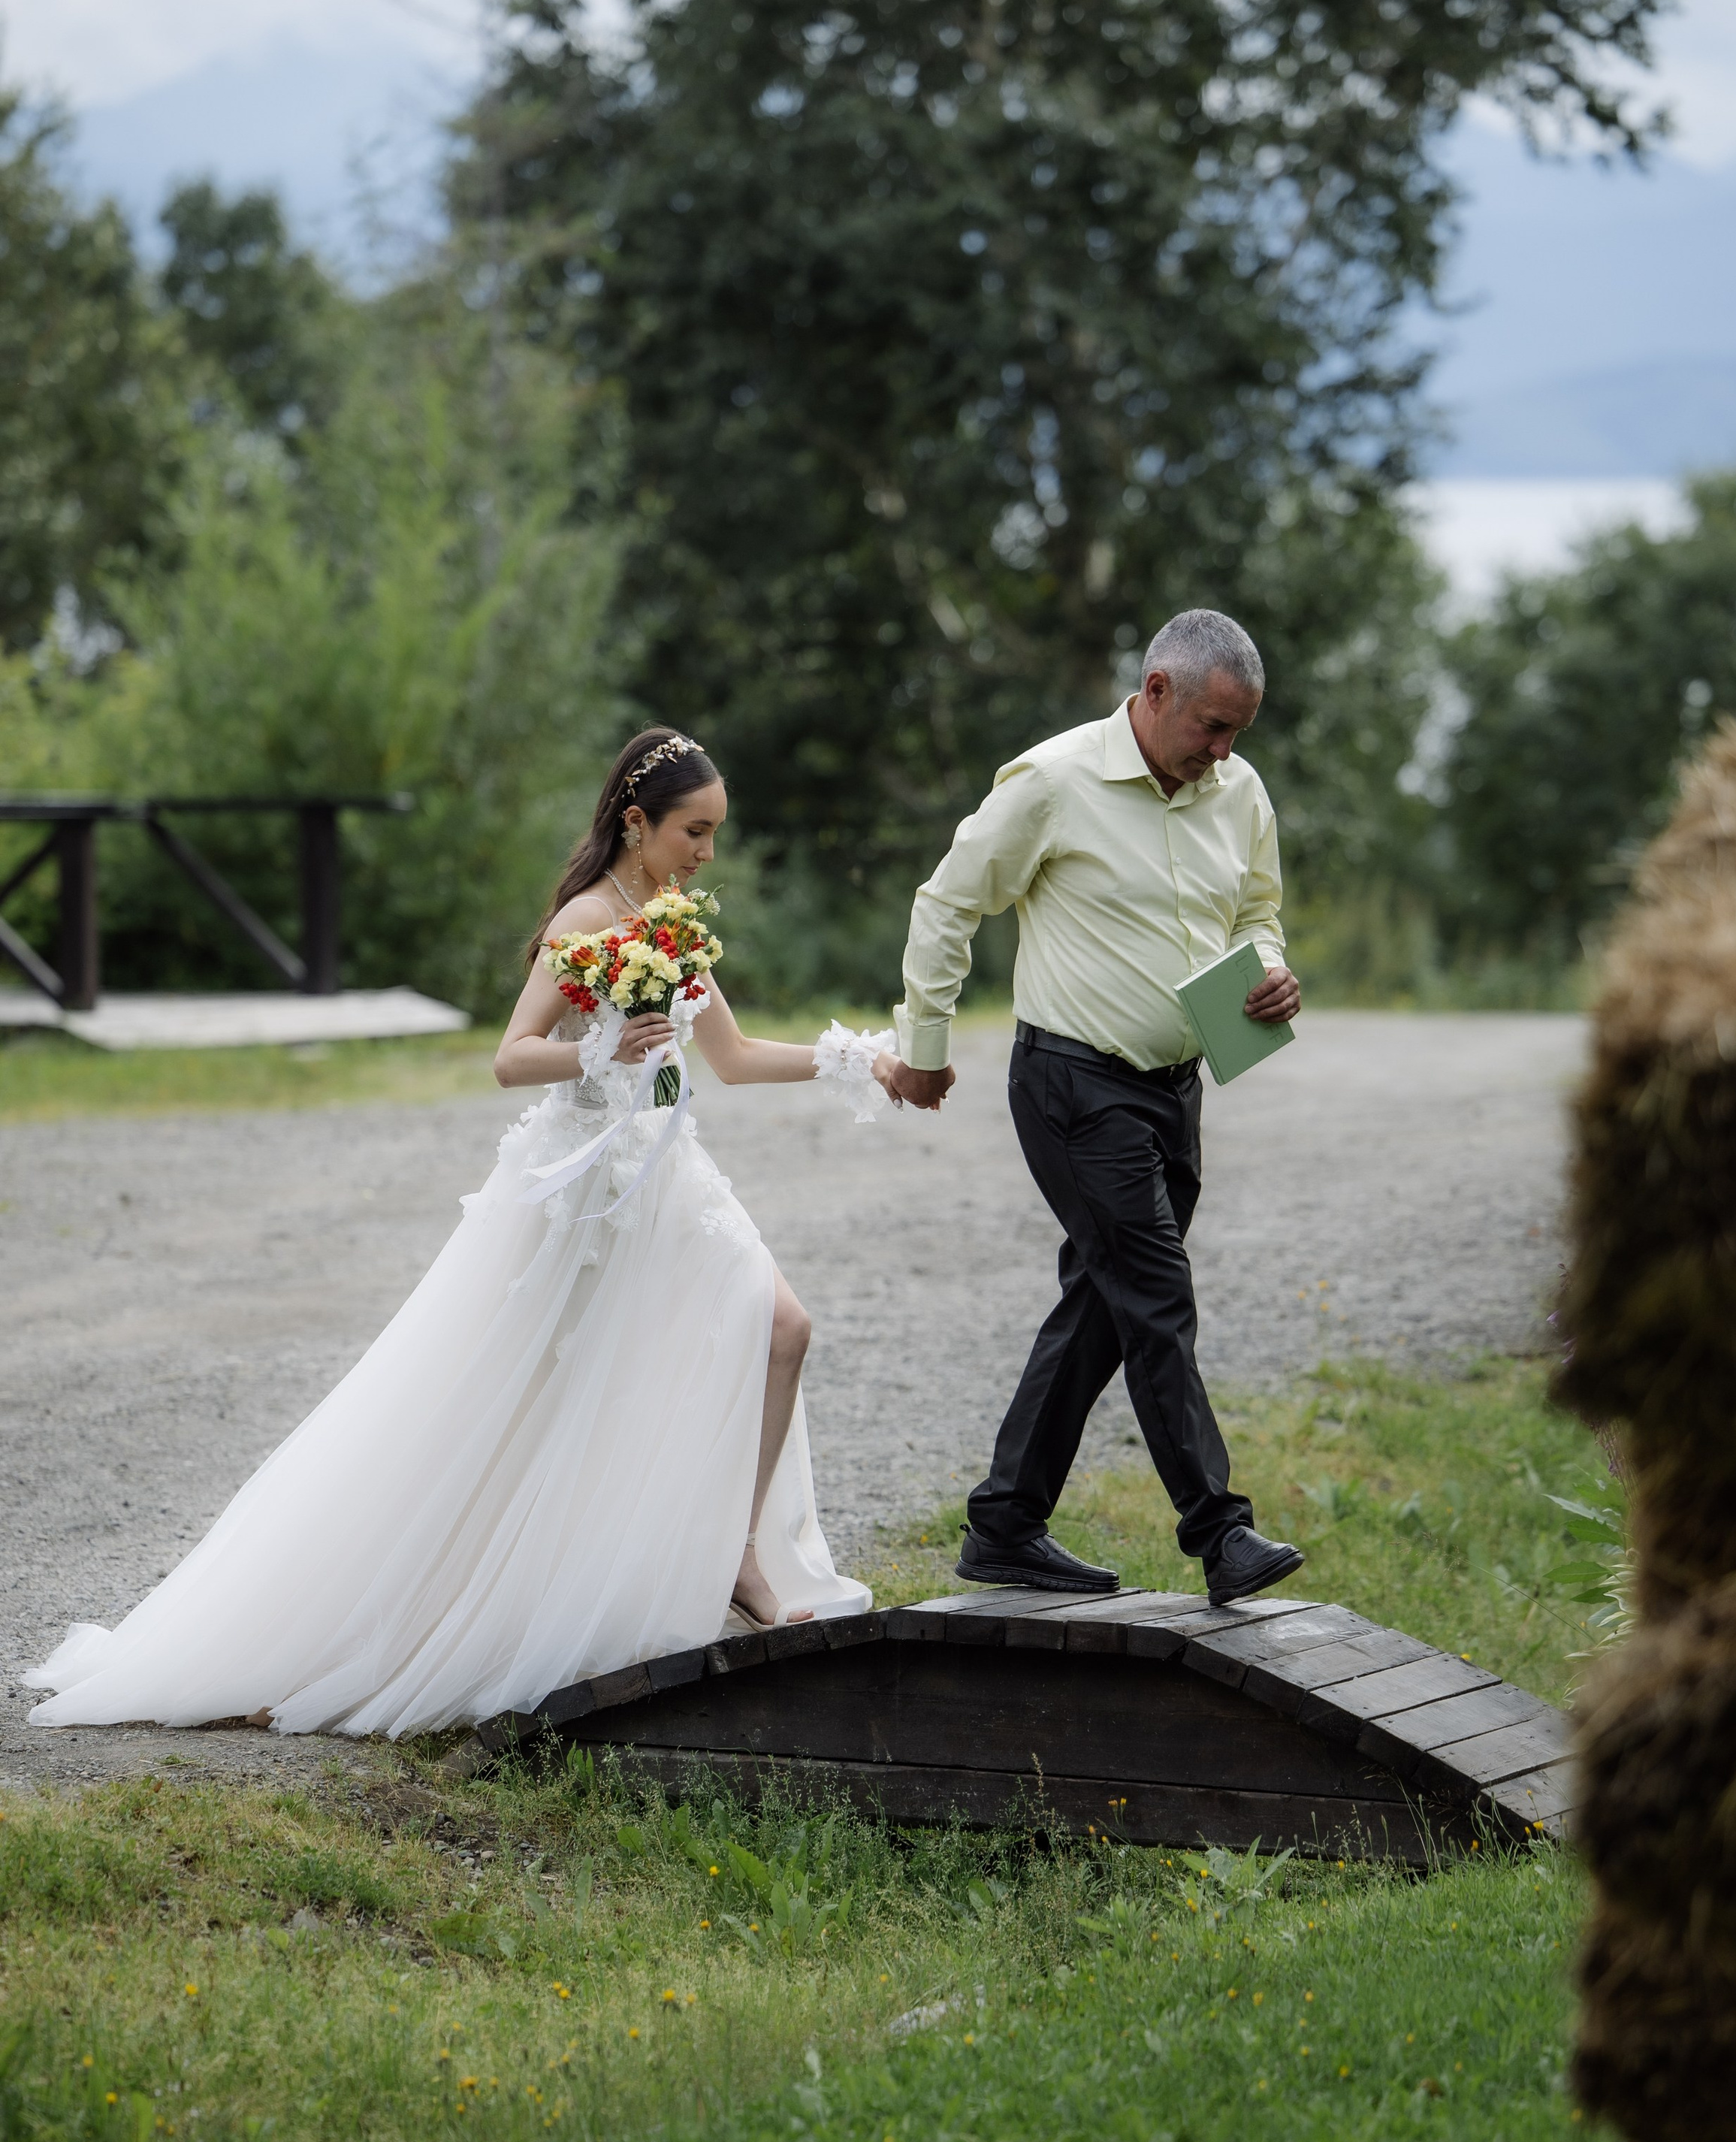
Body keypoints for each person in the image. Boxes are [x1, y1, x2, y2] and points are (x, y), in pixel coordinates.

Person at [26, 730, 897, 1737]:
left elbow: (732, 1057)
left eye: (714, 834)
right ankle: (415, 1607)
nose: (708, 852)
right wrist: (602, 1052)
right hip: (589, 1182)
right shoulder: (587, 920)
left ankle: (734, 1554)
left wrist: (856, 1063)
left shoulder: (667, 917)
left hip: (669, 1169)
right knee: (523, 1402)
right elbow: (511, 1057)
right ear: (636, 822)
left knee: (782, 1329)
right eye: (695, 832)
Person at [892, 609, 1306, 1606]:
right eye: (1211, 726)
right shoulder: (1052, 782)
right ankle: (1221, 1535)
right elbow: (947, 901)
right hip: (1073, 1085)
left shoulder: (1238, 791)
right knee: (1157, 1299)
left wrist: (1274, 968)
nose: (1222, 752)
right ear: (1155, 691)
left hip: (1177, 1087)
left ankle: (1004, 1526)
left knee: (1108, 1310)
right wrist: (924, 1049)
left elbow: (1257, 911)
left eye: (1238, 732)